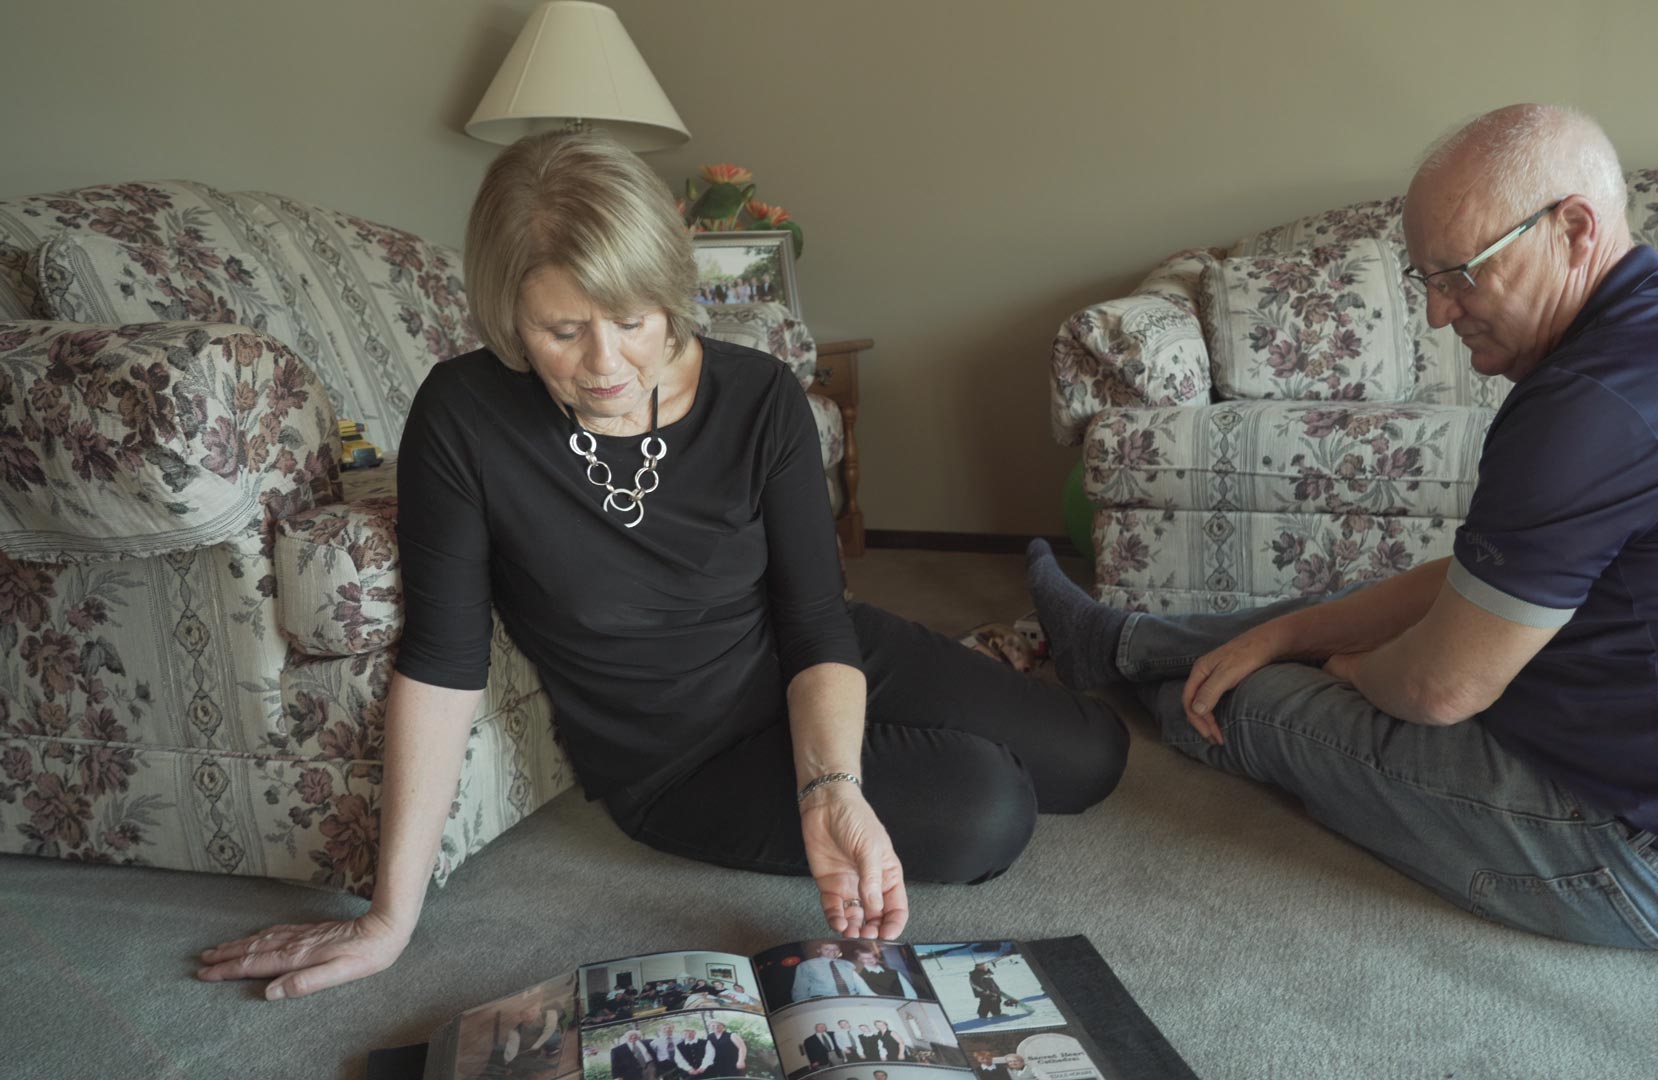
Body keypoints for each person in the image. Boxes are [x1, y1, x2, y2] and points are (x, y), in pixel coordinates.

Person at [194, 129, 1128, 1001]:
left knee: (1094, 756)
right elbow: (441, 661)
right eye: (561, 331)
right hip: (682, 761)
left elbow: (814, 619)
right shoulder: (464, 417)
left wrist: (831, 783)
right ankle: (999, 656)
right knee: (988, 807)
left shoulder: (759, 396)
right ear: (508, 314)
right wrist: (392, 918)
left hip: (804, 661)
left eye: (634, 319)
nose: (607, 363)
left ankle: (1108, 647)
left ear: (669, 289)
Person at [1026, 103, 1658, 952]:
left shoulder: (1593, 401)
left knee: (1262, 700)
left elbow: (1437, 691)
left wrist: (1336, 667)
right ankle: (1124, 640)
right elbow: (1474, 585)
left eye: (1462, 274)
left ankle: (1133, 668)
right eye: (1428, 280)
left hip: (1657, 867)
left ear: (1573, 230)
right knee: (1357, 614)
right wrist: (1287, 626)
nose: (1442, 314)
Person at [789, 942, 874, 1002]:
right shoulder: (806, 965)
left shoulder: (847, 964)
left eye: (835, 949)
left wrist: (873, 999)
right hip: (824, 1002)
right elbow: (799, 992)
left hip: (852, 1000)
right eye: (827, 949)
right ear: (819, 950)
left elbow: (861, 986)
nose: (832, 952)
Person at [849, 944, 913, 999]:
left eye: (872, 957)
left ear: (876, 957)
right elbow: (867, 994)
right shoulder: (860, 976)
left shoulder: (894, 972)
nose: (870, 960)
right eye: (865, 958)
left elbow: (909, 992)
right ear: (859, 959)